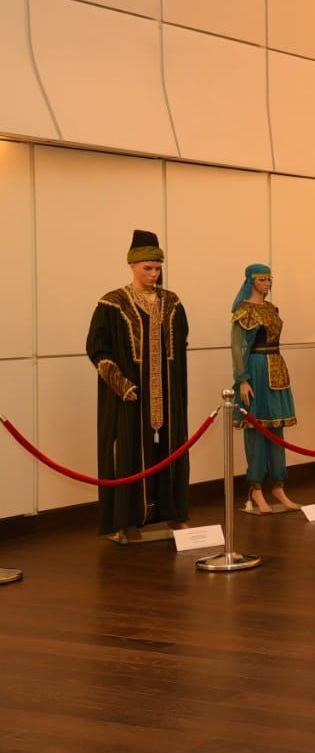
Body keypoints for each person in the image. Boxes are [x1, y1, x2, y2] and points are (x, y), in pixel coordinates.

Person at [86, 230, 190, 541]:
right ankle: (128, 521)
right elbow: (97, 349)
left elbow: (180, 343)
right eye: (148, 268)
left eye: (158, 268)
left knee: (169, 450)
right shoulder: (112, 303)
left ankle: (173, 514)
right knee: (129, 453)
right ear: (132, 265)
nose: (154, 274)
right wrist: (121, 383)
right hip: (130, 397)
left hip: (166, 397)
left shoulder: (172, 302)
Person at [230, 264, 300, 512]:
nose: (267, 283)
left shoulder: (271, 308)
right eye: (262, 279)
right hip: (257, 370)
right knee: (256, 429)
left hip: (276, 368)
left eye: (269, 279)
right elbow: (237, 347)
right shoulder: (244, 311)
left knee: (276, 429)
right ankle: (256, 488)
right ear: (251, 281)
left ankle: (278, 486)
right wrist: (242, 379)